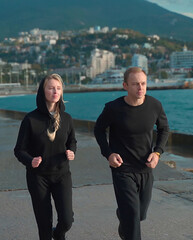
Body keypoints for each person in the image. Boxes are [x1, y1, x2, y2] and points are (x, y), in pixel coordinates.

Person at [94, 67, 170, 240]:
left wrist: (157, 153)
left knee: (140, 215)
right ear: (125, 85)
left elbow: (164, 129)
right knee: (133, 216)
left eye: (143, 83)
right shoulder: (113, 108)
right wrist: (109, 154)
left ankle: (123, 217)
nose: (140, 88)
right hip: (122, 169)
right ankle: (128, 220)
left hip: (145, 168)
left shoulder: (154, 105)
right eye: (135, 84)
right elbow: (99, 130)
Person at [14, 73, 77, 240]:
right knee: (44, 224)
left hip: (62, 175)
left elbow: (72, 142)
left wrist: (72, 152)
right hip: (38, 177)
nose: (55, 91)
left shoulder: (67, 118)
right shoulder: (30, 119)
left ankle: (59, 233)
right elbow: (19, 150)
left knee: (67, 220)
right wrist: (30, 160)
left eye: (58, 88)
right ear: (43, 92)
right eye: (50, 88)